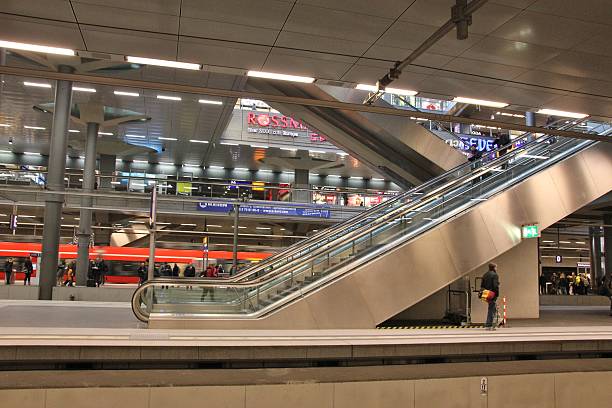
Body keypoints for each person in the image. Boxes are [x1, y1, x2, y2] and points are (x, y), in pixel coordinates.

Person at [480, 263, 500, 330]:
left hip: (486, 293)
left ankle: (489, 324)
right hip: (492, 293)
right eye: (496, 267)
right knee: (492, 309)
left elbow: (482, 285)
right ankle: (489, 325)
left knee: (491, 308)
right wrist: (497, 294)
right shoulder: (495, 275)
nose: (496, 269)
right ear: (494, 268)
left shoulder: (485, 275)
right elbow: (495, 286)